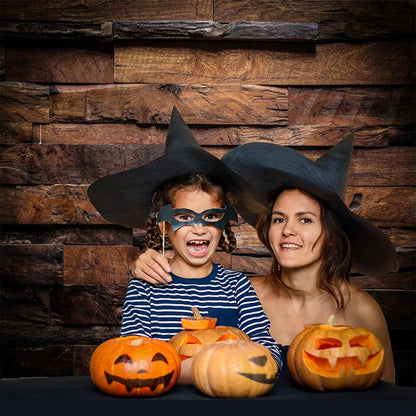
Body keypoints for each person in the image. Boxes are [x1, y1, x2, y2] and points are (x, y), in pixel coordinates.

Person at [129, 133, 399, 383]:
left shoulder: (238, 289)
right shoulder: (248, 290)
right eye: (279, 219)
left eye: (305, 220)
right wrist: (140, 265)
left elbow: (386, 399)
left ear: (331, 234)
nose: (288, 230)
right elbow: (135, 357)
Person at [87, 106, 282, 385]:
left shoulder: (238, 288)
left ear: (223, 223)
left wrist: (241, 370)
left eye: (211, 217)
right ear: (164, 224)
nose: (199, 228)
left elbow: (269, 352)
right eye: (184, 217)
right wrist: (208, 371)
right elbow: (133, 360)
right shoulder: (145, 286)